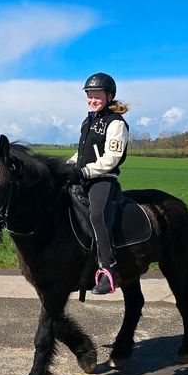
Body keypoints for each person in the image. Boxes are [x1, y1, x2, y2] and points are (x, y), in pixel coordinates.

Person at [67, 72, 130, 295]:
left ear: (110, 96)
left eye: (97, 96)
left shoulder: (116, 124)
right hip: (83, 175)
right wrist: (69, 165)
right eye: (89, 96)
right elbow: (82, 151)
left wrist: (85, 171)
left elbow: (111, 158)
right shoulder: (88, 121)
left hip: (103, 179)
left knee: (96, 214)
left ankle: (109, 269)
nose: (92, 100)